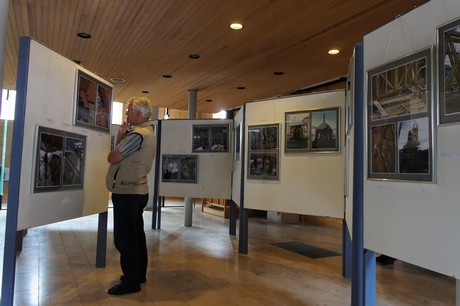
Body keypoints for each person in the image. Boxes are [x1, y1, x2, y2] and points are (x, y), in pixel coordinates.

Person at [105, 97, 156, 295]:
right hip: (136, 191)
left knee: (124, 239)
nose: (126, 114)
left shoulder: (137, 135)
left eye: (128, 111)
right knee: (136, 236)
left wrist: (119, 137)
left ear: (138, 113)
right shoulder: (147, 133)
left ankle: (131, 282)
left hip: (128, 193)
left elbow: (113, 156)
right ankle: (138, 275)